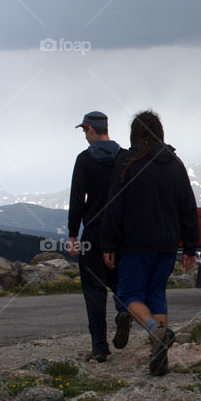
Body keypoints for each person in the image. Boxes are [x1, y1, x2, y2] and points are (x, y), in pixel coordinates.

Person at [102, 110, 198, 376]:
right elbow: (188, 207)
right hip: (167, 245)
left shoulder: (127, 162)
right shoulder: (175, 164)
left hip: (135, 244)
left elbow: (114, 206)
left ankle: (156, 333)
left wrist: (108, 244)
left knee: (129, 295)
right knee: (156, 295)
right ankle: (160, 357)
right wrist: (190, 247)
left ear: (135, 135)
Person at [67, 110, 131, 363]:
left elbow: (77, 199)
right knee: (120, 282)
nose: (84, 135)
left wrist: (73, 235)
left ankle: (100, 347)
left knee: (94, 290)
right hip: (122, 233)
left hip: (94, 233)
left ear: (91, 129)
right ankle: (123, 312)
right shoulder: (125, 157)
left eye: (85, 131)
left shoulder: (84, 159)